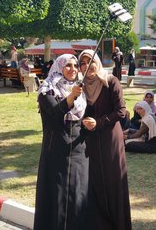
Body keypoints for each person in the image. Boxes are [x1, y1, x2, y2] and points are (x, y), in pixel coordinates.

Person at [34, 54, 88, 230]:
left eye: (75, 65)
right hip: (56, 149)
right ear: (59, 67)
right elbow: (55, 114)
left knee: (78, 193)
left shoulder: (82, 89)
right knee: (58, 195)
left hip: (79, 149)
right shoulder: (47, 90)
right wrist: (71, 97)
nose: (73, 69)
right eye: (68, 66)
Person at [79, 49, 132, 230]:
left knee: (113, 181)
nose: (87, 66)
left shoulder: (110, 82)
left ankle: (118, 224)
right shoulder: (80, 86)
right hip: (91, 140)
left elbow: (121, 111)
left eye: (90, 61)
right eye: (83, 63)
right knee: (95, 181)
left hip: (110, 138)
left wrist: (99, 122)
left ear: (98, 62)